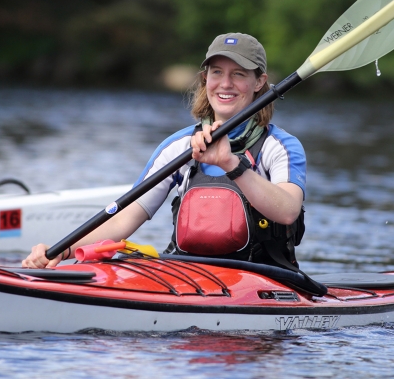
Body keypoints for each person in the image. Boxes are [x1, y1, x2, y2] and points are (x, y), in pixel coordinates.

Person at [22, 33, 306, 270]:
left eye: (239, 74)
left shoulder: (279, 147)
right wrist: (66, 250)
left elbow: (288, 210)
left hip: (265, 281)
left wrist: (231, 163)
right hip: (189, 276)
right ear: (205, 79)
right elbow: (124, 218)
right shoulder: (179, 146)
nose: (225, 84)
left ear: (259, 82)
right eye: (216, 73)